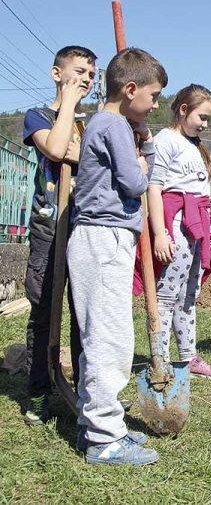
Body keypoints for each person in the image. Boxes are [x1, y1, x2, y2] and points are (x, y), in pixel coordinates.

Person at [67, 47, 167, 466]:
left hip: (104, 237)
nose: (156, 104)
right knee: (109, 340)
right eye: (154, 95)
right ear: (130, 90)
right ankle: (105, 438)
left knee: (104, 335)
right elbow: (132, 182)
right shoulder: (113, 125)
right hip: (103, 237)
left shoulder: (108, 122)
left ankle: (93, 423)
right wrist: (147, 156)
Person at [21, 45, 96, 425]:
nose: (86, 79)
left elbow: (88, 157)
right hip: (49, 227)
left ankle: (85, 388)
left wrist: (75, 147)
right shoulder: (37, 115)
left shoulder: (91, 124)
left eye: (91, 75)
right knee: (44, 309)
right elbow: (54, 147)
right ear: (57, 73)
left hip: (83, 226)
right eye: (79, 71)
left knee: (83, 310)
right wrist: (66, 105)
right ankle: (38, 389)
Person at [144, 84, 211, 379]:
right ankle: (160, 358)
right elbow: (154, 186)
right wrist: (161, 232)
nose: (205, 124)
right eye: (201, 117)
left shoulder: (193, 145)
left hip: (196, 224)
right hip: (176, 224)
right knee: (167, 294)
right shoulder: (166, 140)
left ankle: (188, 356)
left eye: (207, 119)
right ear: (183, 110)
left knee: (190, 293)